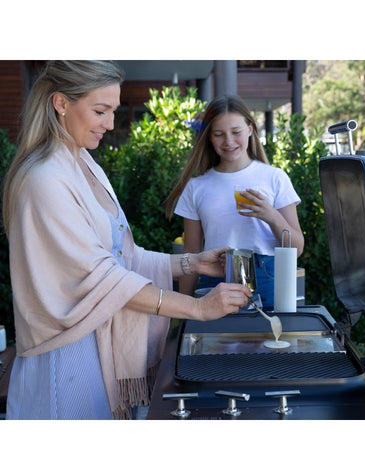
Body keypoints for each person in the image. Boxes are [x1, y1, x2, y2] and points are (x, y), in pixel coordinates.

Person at [1, 61, 250, 420]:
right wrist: (195, 308)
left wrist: (189, 263)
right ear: (61, 103)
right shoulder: (44, 180)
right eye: (100, 111)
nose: (110, 124)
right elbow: (104, 277)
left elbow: (122, 255)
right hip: (65, 361)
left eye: (113, 111)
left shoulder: (84, 164)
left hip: (96, 350)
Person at [166, 95, 304, 308]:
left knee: (271, 341)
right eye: (219, 134)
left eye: (236, 132)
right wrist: (184, 311)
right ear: (209, 137)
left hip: (269, 280)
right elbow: (191, 255)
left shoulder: (275, 178)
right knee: (217, 342)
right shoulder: (197, 187)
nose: (228, 142)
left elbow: (297, 249)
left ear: (250, 129)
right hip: (215, 281)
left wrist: (272, 216)